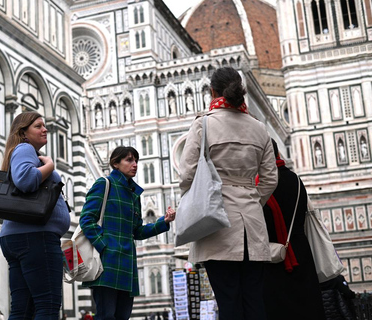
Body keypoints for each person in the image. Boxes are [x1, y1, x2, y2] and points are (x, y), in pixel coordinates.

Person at [179, 67, 278, 320]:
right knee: (254, 301)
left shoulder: (204, 124)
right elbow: (269, 180)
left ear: (212, 91)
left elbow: (187, 175)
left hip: (217, 225)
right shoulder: (259, 128)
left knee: (228, 301)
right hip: (253, 226)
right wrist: (253, 200)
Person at [80, 146, 176, 320]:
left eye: (136, 160)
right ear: (115, 163)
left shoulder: (134, 194)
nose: (135, 164)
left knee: (123, 316)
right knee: (106, 316)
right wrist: (105, 246)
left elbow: (137, 231)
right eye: (129, 160)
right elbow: (86, 219)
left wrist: (164, 222)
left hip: (127, 263)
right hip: (107, 263)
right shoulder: (104, 184)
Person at [0, 111, 70, 319]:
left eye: (44, 125)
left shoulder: (21, 151)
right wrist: (50, 166)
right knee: (47, 304)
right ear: (23, 133)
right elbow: (25, 180)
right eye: (38, 126)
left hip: (19, 237)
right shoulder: (25, 148)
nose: (45, 129)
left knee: (23, 309)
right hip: (36, 238)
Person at [262, 139, 326, 320]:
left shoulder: (260, 184)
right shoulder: (295, 180)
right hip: (301, 253)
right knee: (306, 307)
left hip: (272, 260)